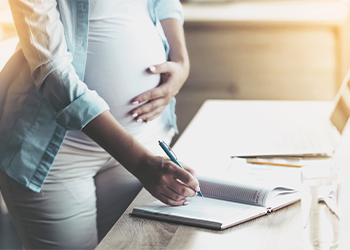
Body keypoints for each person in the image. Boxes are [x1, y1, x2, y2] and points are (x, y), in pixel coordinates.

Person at [0, 0, 200, 249]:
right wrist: (139, 162)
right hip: (56, 156)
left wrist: (181, 63)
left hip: (144, 137)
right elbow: (53, 73)